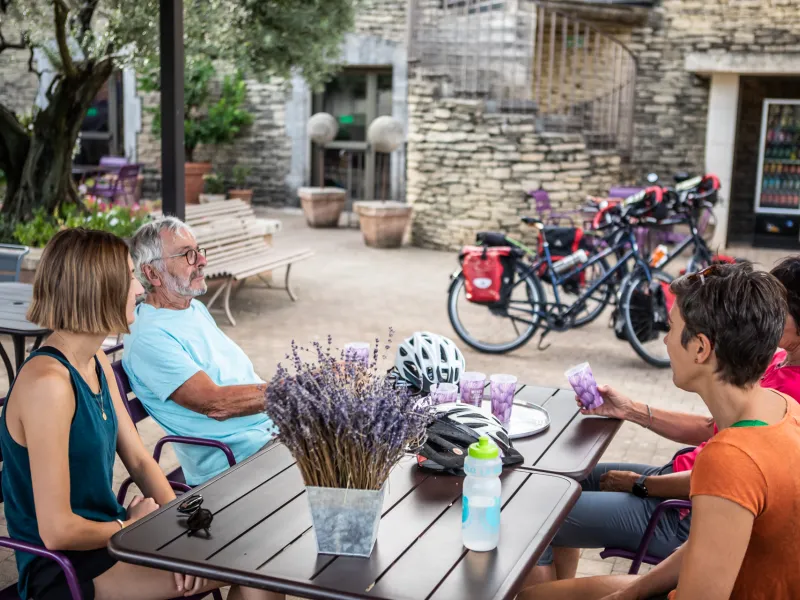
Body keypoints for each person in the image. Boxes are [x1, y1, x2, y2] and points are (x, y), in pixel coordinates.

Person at [0, 228, 280, 600]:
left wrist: (185, 525)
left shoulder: (93, 358)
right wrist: (129, 523)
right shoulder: (48, 385)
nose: (138, 289)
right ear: (99, 288)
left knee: (255, 553)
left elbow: (140, 462)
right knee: (255, 563)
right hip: (65, 567)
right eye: (130, 277)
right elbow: (57, 531)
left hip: (112, 537)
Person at [520, 262, 800, 599]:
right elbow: (705, 544)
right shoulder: (783, 407)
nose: (666, 341)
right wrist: (631, 592)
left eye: (670, 328)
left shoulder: (730, 459)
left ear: (700, 348)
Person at [123, 217, 277, 486]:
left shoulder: (192, 308)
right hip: (237, 459)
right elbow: (216, 403)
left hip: (268, 434)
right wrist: (294, 391)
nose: (201, 261)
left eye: (198, 251)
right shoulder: (149, 338)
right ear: (152, 274)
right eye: (187, 255)